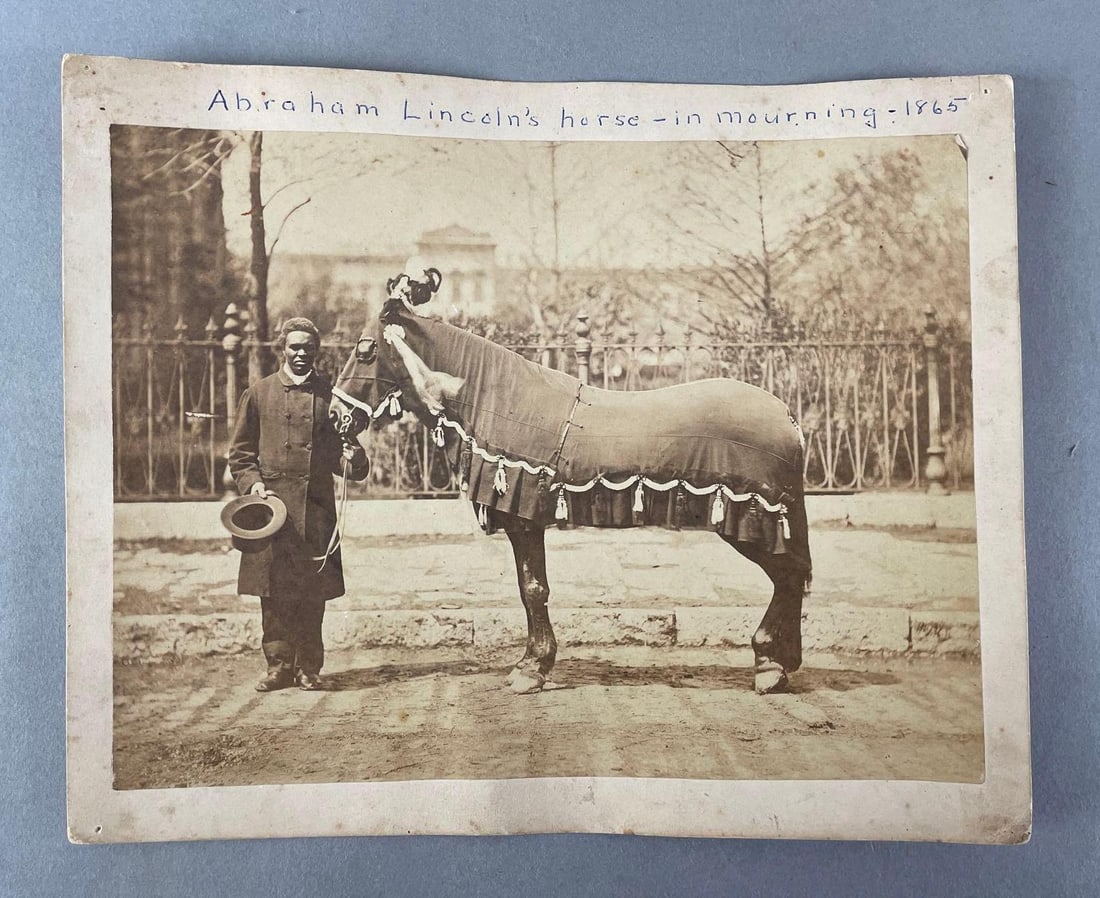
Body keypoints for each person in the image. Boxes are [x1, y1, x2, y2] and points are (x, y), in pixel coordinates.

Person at [228, 317, 370, 692]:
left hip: (315, 509)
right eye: (295, 347)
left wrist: (353, 457)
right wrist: (255, 486)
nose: (302, 353)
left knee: (312, 591)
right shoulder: (260, 393)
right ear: (282, 349)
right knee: (272, 591)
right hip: (271, 510)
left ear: (316, 351)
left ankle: (309, 666)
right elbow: (240, 455)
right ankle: (278, 666)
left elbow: (343, 459)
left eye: (308, 347)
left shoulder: (330, 396)